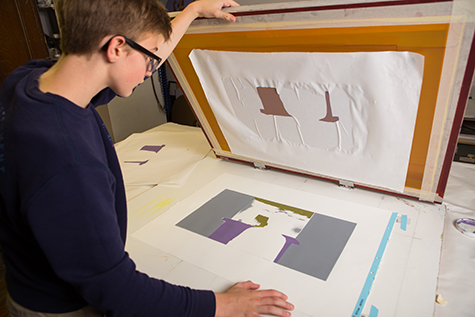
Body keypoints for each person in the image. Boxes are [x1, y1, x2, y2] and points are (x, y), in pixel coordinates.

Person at [0, 0, 295, 316]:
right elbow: (117, 291)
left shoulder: (29, 81)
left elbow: (136, 56)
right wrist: (221, 304)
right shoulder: (69, 162)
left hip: (26, 282)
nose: (151, 69)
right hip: (61, 307)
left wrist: (192, 12)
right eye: (150, 58)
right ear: (115, 48)